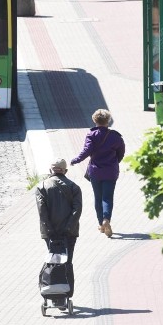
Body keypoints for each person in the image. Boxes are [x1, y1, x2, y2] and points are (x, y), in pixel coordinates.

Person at [71, 109, 125, 237]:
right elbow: (121, 152)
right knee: (107, 197)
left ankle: (101, 224)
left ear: (95, 120)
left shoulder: (92, 135)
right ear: (108, 120)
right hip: (111, 171)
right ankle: (107, 219)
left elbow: (86, 151)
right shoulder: (115, 136)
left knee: (98, 197)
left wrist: (76, 160)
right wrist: (115, 162)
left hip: (95, 171)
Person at [35, 158, 82, 303]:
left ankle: (54, 295)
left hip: (50, 234)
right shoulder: (74, 187)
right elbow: (77, 210)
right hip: (69, 233)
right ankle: (65, 294)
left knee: (53, 261)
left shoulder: (41, 187)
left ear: (51, 170)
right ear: (65, 171)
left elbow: (42, 212)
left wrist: (50, 230)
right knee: (67, 262)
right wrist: (67, 228)